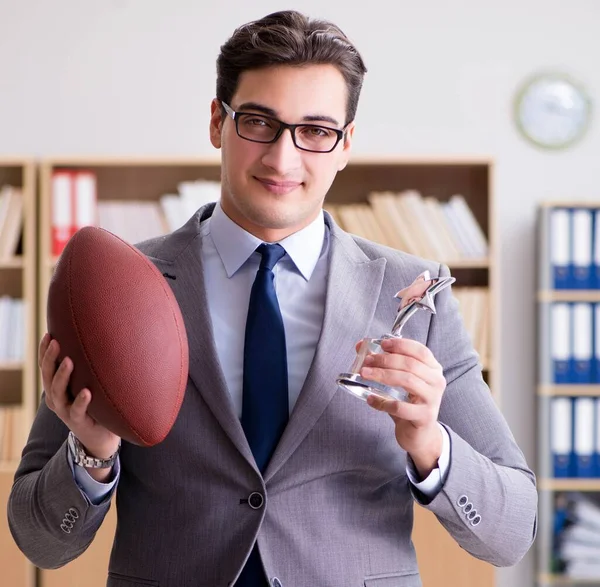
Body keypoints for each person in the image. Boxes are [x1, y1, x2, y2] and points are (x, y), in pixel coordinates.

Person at [8, 9, 537, 587]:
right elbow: (39, 541)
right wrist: (91, 451)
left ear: (345, 144)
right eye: (258, 121)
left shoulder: (413, 294)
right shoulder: (120, 291)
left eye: (315, 130)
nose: (283, 158)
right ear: (217, 122)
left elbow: (512, 533)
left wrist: (430, 445)